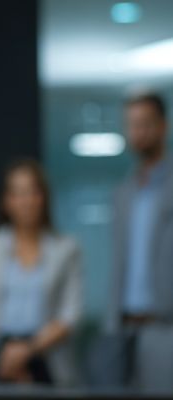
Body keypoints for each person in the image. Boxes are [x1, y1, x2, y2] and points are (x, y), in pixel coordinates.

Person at [0, 159, 82, 386]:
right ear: (5, 201)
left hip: (47, 361)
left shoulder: (66, 249)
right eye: (17, 193)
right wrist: (5, 355)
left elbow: (70, 316)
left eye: (32, 192)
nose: (26, 201)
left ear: (44, 198)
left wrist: (26, 351)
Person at [105, 93, 173, 383]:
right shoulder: (123, 192)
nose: (138, 132)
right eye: (132, 125)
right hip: (125, 327)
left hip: (165, 324)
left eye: (145, 123)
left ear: (163, 126)